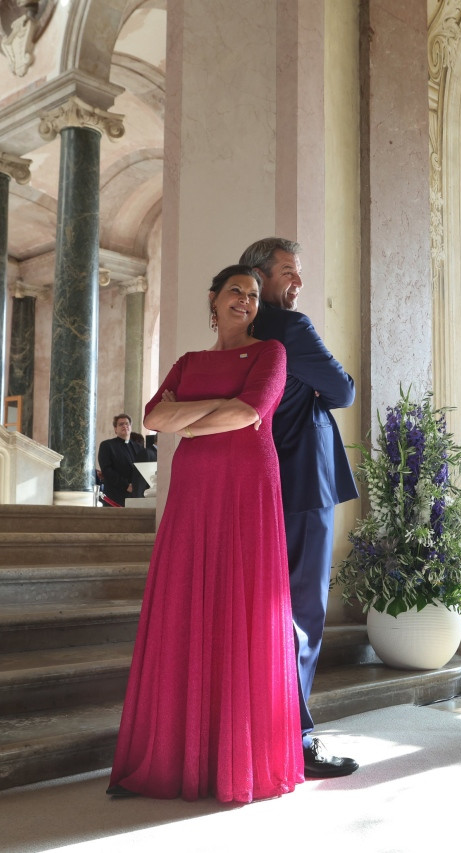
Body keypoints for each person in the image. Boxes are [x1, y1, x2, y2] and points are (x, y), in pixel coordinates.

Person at [108, 265, 301, 803]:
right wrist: (209, 415)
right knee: (185, 605)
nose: (246, 300)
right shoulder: (190, 361)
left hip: (245, 487)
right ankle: (173, 757)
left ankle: (237, 759)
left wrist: (187, 422)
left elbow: (250, 411)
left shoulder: (270, 354)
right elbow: (151, 417)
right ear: (212, 299)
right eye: (235, 291)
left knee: (242, 607)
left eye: (255, 294)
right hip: (193, 492)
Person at [239, 237, 360, 778]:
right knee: (303, 612)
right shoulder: (290, 327)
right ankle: (298, 736)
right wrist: (314, 391)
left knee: (266, 608)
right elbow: (342, 389)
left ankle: (262, 725)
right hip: (305, 482)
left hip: (258, 481)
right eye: (289, 271)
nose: (298, 282)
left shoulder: (237, 333)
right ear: (259, 276)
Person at [97, 414, 151, 505]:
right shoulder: (107, 445)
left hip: (136, 495)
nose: (124, 426)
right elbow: (107, 470)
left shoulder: (139, 448)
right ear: (115, 429)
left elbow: (144, 469)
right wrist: (126, 485)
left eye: (127, 424)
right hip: (115, 494)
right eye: (121, 424)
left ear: (130, 427)